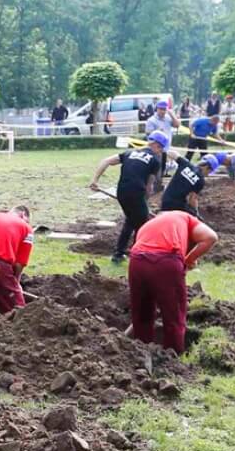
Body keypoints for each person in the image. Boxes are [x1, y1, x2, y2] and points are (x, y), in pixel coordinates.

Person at [127, 210, 218, 354]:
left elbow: (148, 252)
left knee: (142, 314)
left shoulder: (148, 226)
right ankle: (173, 357)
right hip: (166, 261)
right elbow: (211, 237)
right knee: (174, 316)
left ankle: (140, 353)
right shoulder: (187, 219)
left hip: (136, 261)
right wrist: (189, 260)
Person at [90, 131, 168, 264]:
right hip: (137, 193)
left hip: (121, 192)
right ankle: (138, 255)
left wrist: (94, 180)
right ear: (155, 145)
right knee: (143, 224)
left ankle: (119, 254)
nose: (160, 152)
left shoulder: (129, 153)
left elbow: (106, 161)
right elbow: (149, 186)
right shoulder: (155, 160)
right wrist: (144, 202)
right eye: (160, 148)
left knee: (131, 221)